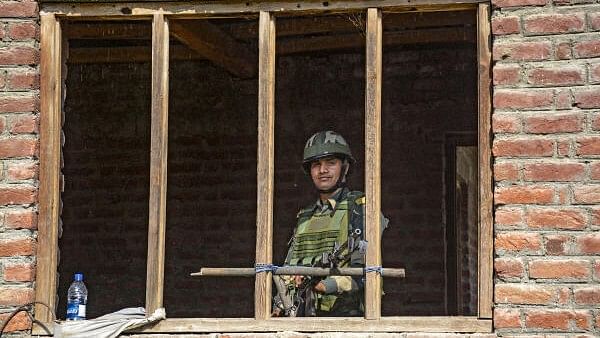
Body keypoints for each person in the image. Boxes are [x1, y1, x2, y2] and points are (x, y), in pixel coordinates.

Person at [273, 130, 388, 317]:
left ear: (345, 167)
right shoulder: (305, 216)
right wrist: (279, 304)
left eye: (331, 163)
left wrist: (323, 286)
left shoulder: (360, 210)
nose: (322, 170)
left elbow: (365, 274)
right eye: (316, 165)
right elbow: (289, 268)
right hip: (301, 316)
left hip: (345, 319)